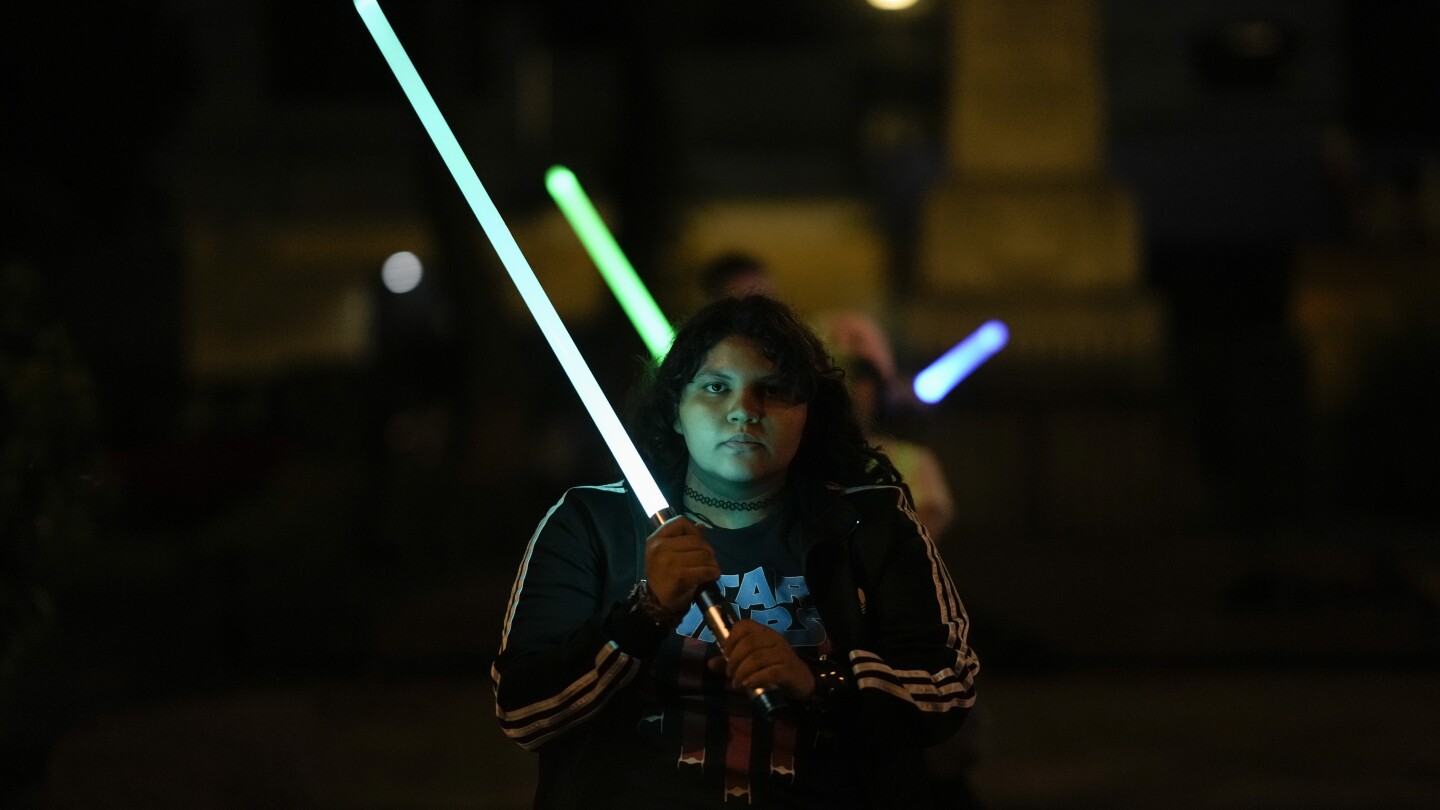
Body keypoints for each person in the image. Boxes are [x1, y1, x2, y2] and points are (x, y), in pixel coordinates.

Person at [492, 295, 978, 808]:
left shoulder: (872, 525)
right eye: (716, 387)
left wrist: (817, 680)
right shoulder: (592, 524)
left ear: (809, 413)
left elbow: (948, 685)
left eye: (772, 390)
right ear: (677, 410)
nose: (744, 411)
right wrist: (645, 612)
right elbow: (526, 712)